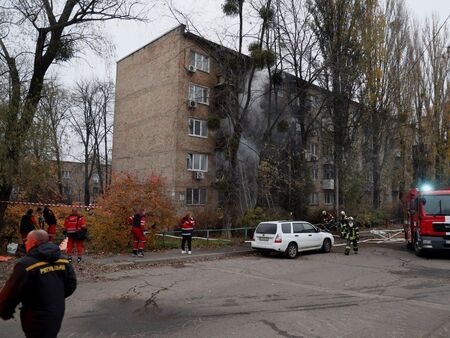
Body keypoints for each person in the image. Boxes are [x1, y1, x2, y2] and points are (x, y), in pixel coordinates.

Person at [0, 229, 77, 338]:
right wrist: (55, 297)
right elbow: (71, 284)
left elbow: (11, 292)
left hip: (36, 316)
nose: (25, 243)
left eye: (27, 240)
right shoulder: (62, 260)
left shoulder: (26, 265)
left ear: (33, 242)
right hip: (57, 311)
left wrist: (4, 311)